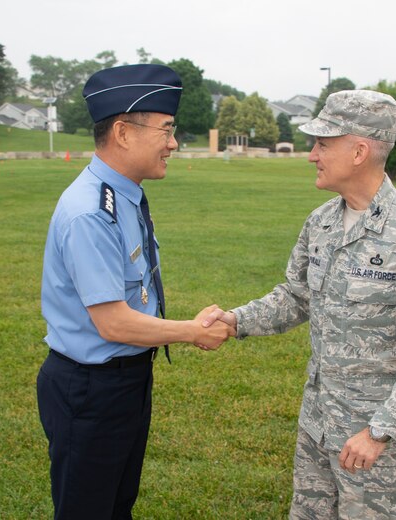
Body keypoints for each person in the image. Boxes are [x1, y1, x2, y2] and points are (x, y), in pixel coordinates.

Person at [204, 90, 396, 519]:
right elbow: (296, 295)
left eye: (323, 144)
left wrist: (380, 433)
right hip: (317, 426)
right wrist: (234, 321)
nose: (312, 155)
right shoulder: (321, 222)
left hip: (373, 442)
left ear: (359, 151)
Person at [37, 64, 234, 520]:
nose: (173, 143)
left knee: (115, 504)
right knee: (87, 510)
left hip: (124, 379)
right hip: (91, 388)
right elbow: (112, 322)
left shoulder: (122, 196)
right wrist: (190, 331)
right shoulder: (92, 212)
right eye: (165, 130)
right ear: (124, 132)